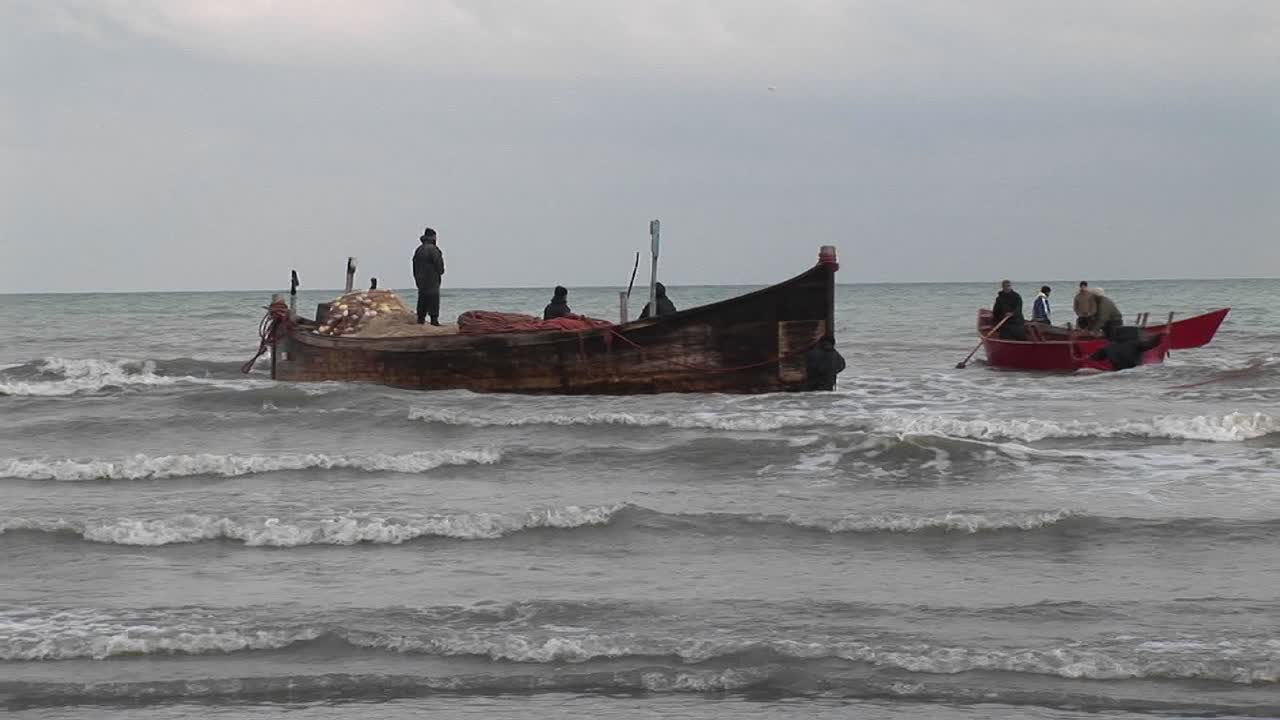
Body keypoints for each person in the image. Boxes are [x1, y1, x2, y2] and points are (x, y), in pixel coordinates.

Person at [412, 227, 445, 325]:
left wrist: (417, 277)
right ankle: (434, 321)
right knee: (433, 298)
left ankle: (420, 319)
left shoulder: (418, 249)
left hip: (420, 279)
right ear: (433, 237)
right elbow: (439, 264)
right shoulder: (433, 249)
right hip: (432, 278)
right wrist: (441, 271)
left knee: (422, 298)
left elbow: (414, 264)